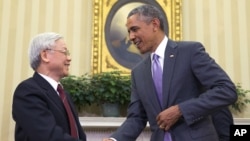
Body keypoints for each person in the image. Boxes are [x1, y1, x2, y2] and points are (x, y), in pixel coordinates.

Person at [103, 4, 237, 141]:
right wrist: (114, 139)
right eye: (129, 32)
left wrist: (181, 110)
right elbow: (136, 118)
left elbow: (226, 90)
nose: (131, 37)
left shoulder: (190, 52)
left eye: (135, 29)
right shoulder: (138, 73)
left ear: (155, 24)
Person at [12, 32, 86, 141]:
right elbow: (48, 136)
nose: (69, 58)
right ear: (45, 55)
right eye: (65, 52)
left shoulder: (65, 95)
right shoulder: (27, 91)